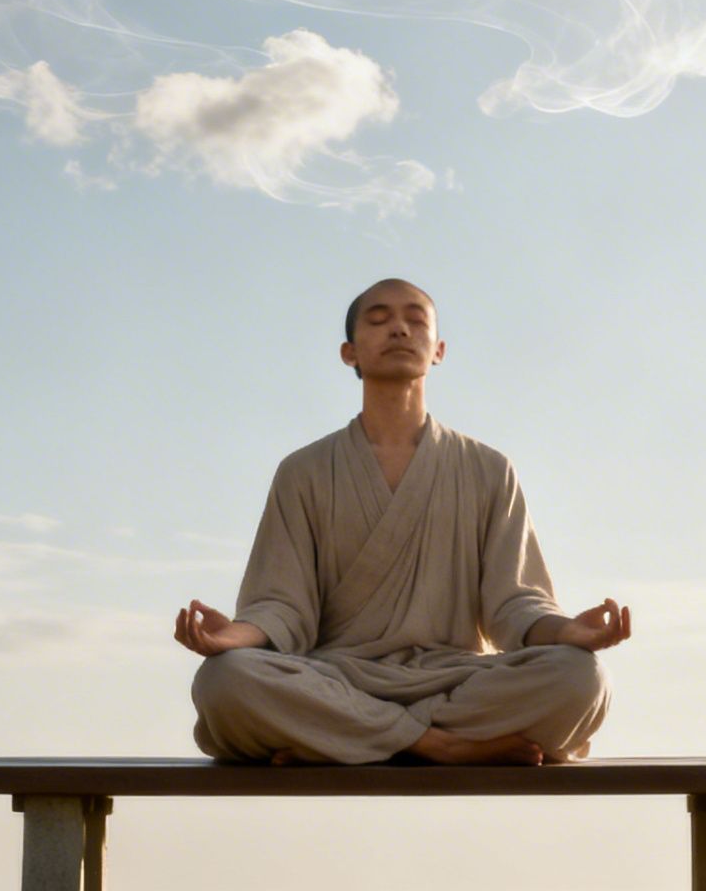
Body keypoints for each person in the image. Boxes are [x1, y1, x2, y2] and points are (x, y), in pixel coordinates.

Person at [174, 278, 631, 765]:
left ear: (438, 350)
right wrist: (233, 639)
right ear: (349, 352)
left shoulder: (487, 468)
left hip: (453, 679)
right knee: (225, 680)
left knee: (580, 677)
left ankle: (337, 739)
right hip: (338, 678)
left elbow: (514, 603)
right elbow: (281, 606)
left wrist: (565, 634)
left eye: (415, 320)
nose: (398, 329)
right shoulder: (304, 471)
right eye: (378, 320)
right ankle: (440, 745)